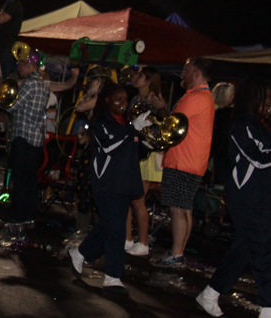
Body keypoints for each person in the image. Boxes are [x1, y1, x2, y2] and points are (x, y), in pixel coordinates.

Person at [194, 78, 271, 318]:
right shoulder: (241, 125)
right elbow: (257, 159)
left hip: (260, 198)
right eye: (266, 99)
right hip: (247, 198)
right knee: (262, 250)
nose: (270, 104)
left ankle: (211, 293)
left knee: (246, 248)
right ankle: (268, 311)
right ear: (254, 99)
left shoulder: (261, 126)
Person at [70, 83, 151, 294]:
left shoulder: (126, 123)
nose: (123, 104)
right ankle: (113, 276)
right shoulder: (100, 122)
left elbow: (137, 150)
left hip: (126, 181)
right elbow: (109, 145)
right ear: (106, 100)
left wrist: (148, 142)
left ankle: (80, 253)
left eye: (125, 100)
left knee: (110, 225)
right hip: (107, 182)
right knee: (116, 230)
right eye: (118, 100)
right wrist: (133, 130)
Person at [159, 57, 215, 266]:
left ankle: (176, 254)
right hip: (192, 161)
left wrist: (161, 108)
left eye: (185, 70)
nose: (182, 74)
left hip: (183, 160)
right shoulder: (203, 97)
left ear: (196, 74)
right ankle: (178, 252)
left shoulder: (196, 98)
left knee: (177, 208)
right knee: (184, 208)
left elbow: (171, 125)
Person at [125, 66, 168, 257]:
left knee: (137, 200)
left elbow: (163, 128)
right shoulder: (135, 99)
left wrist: (161, 111)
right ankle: (126, 239)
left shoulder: (155, 100)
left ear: (149, 80)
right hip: (133, 151)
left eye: (140, 76)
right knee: (125, 198)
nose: (135, 78)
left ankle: (142, 242)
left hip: (147, 155)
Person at [4, 49, 49, 226]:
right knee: (30, 179)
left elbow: (12, 106)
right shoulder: (43, 84)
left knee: (20, 179)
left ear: (30, 65)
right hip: (36, 139)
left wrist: (0, 98)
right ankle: (29, 215)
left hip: (23, 137)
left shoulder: (30, 84)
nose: (18, 66)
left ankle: (19, 216)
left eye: (21, 63)